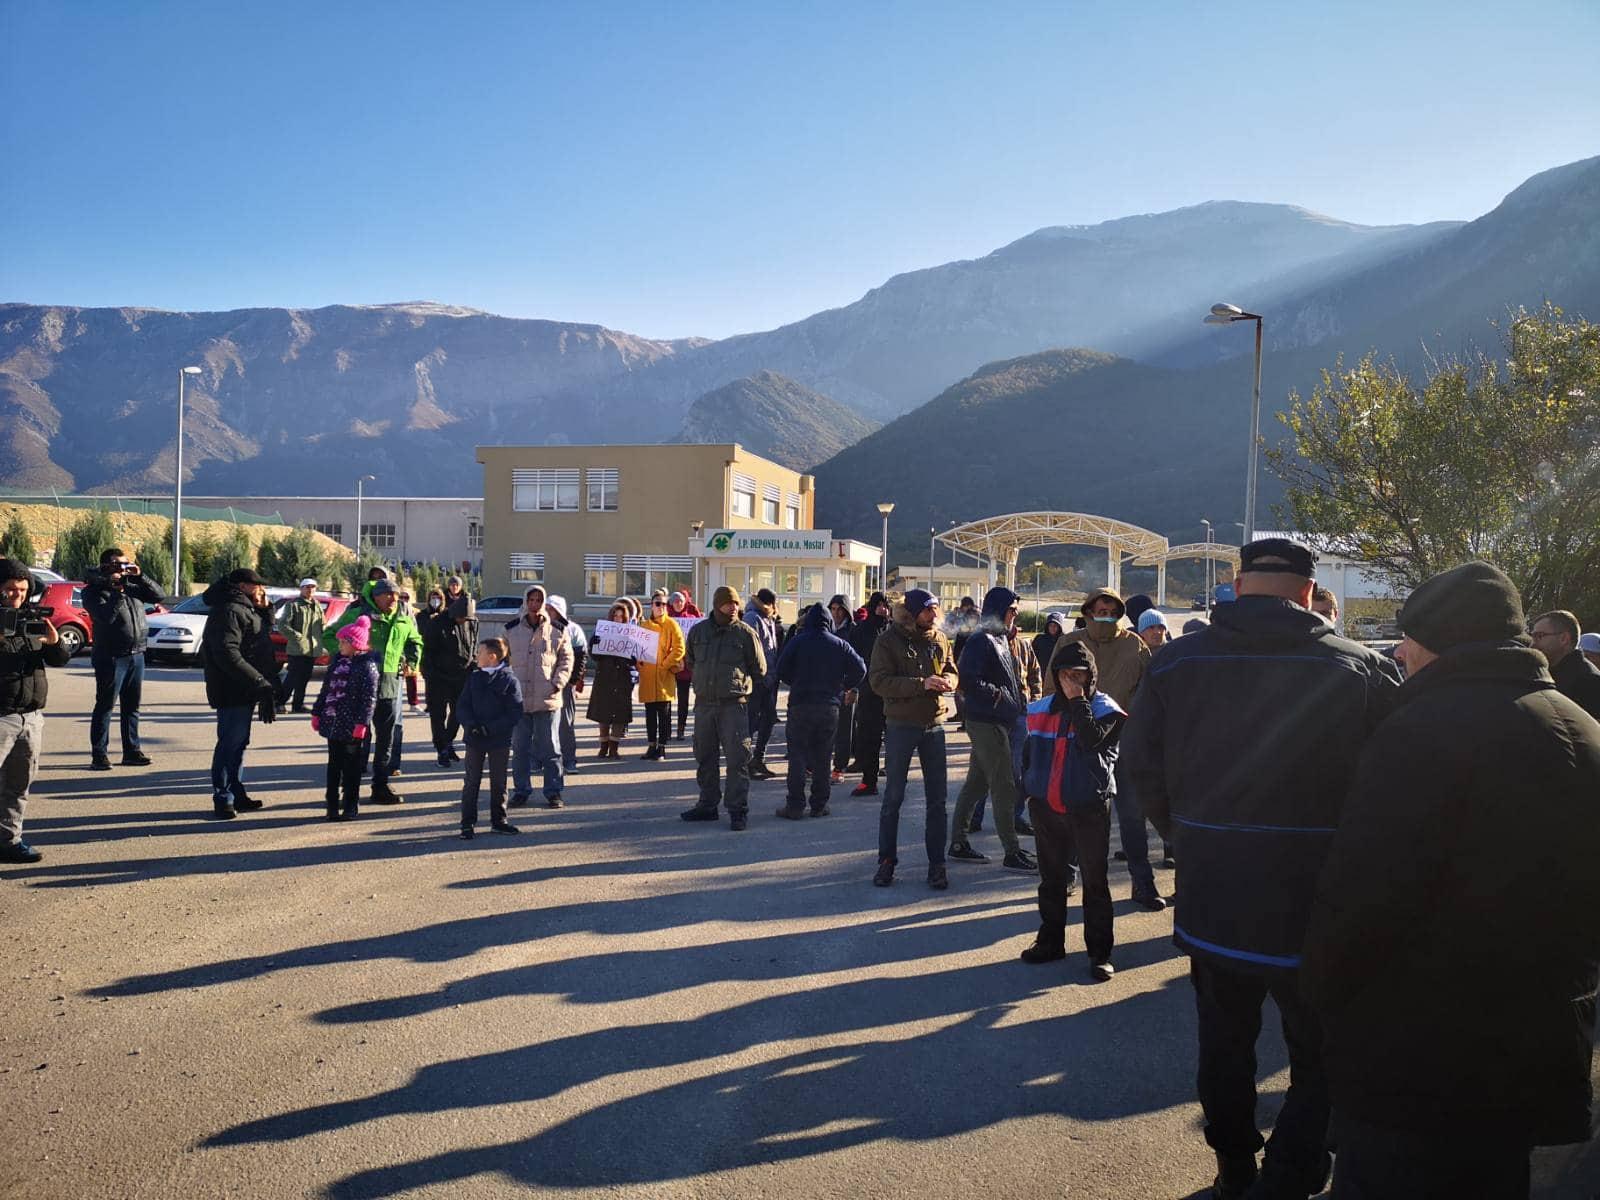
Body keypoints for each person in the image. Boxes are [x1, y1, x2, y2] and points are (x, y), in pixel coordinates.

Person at [1302, 561, 1600, 1197]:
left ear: (1442, 639)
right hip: (1536, 1032)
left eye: (1409, 636)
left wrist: (1322, 989)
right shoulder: (1582, 727)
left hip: (1422, 1045)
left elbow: (1363, 896)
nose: (1401, 650)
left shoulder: (1420, 733)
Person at [1121, 537, 1398, 1199]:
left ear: (1236, 586)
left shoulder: (1175, 664)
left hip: (1217, 896)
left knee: (1224, 1044)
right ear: (1310, 591)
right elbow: (1392, 787)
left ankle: (1234, 1168)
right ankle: (1296, 1169)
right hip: (1322, 901)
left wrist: (1189, 838)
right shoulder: (1361, 668)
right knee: (1320, 1049)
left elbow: (1141, 768)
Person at [1019, 641, 1124, 980]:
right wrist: (1028, 792)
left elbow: (1093, 741)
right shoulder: (1040, 709)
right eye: (1065, 675)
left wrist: (1079, 702)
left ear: (1091, 676)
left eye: (1079, 675)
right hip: (1046, 807)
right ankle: (1050, 941)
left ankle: (1100, 953)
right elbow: (1028, 754)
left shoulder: (1107, 709)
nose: (1071, 683)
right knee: (1051, 880)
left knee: (1095, 882)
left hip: (1089, 807)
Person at [1059, 588, 1163, 910]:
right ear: (1088, 610)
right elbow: (1052, 689)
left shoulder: (1135, 645)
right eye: (1099, 608)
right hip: (1081, 742)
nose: (1104, 613)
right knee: (1079, 814)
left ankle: (1142, 883)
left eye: (1111, 608)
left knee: (1133, 817)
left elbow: (1151, 692)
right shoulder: (1069, 643)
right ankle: (1067, 875)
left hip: (1126, 743)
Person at [870, 589, 958, 888]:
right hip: (901, 725)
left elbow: (951, 669)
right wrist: (922, 684)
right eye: (928, 610)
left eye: (936, 610)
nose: (935, 616)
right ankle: (886, 861)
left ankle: (937, 864)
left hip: (934, 725)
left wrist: (950, 681)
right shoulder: (888, 640)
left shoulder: (940, 638)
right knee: (893, 797)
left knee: (938, 800)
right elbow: (879, 682)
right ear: (912, 613)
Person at [947, 587, 1036, 872]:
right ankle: (1011, 851)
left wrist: (1015, 701)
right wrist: (997, 695)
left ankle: (958, 843)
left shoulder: (999, 637)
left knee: (977, 783)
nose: (1015, 616)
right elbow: (967, 679)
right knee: (1004, 785)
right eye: (1012, 610)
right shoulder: (981, 640)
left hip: (999, 720)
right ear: (1000, 610)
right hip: (986, 721)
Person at [322, 578, 423, 805]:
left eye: (397, 597)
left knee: (386, 739)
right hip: (358, 685)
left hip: (389, 684)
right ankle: (350, 790)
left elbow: (416, 642)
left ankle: (380, 785)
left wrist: (411, 661)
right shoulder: (358, 615)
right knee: (356, 739)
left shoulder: (402, 619)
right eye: (389, 596)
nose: (394, 600)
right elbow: (330, 635)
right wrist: (343, 658)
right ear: (377, 596)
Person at [0, 557, 70, 863]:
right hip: (1, 714)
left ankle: (8, 840)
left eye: (23, 589)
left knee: (19, 783)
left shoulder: (30, 616)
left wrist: (55, 643)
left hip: (30, 714)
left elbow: (59, 659)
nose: (17, 595)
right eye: (10, 589)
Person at [681, 585, 765, 831]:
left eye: (736, 603)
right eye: (729, 603)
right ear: (718, 604)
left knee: (737, 759)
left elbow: (759, 668)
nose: (733, 607)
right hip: (705, 704)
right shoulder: (698, 632)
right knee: (705, 756)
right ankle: (707, 805)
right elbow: (690, 660)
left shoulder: (745, 633)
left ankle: (737, 811)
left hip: (733, 705)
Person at [200, 568, 279, 819]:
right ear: (243, 586)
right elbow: (227, 652)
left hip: (246, 686)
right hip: (232, 687)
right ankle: (223, 797)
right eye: (257, 586)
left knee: (239, 744)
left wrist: (266, 611)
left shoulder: (245, 608)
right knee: (230, 744)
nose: (261, 590)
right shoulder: (229, 610)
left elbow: (259, 638)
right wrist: (257, 680)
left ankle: (236, 792)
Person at [775, 601, 866, 819]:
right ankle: (819, 804)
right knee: (823, 757)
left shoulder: (798, 641)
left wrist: (794, 681)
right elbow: (861, 669)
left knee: (797, 755)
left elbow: (781, 669)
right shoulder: (839, 643)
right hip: (829, 705)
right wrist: (844, 686)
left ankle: (795, 805)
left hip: (800, 703)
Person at [81, 547, 164, 770]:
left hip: (137, 653)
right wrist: (117, 591)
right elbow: (105, 617)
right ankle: (99, 754)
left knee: (132, 706)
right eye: (119, 565)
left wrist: (140, 576)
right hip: (110, 656)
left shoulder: (132, 586)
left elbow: (159, 595)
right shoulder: (92, 591)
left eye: (126, 564)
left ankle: (132, 751)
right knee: (105, 706)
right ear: (106, 566)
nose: (123, 569)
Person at [501, 584, 573, 809]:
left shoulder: (558, 630)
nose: (534, 605)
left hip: (547, 699)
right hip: (520, 700)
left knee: (550, 748)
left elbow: (566, 659)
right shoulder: (511, 630)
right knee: (520, 748)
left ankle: (554, 791)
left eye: (538, 600)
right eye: (530, 600)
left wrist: (557, 683)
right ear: (525, 602)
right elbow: (502, 659)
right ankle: (521, 790)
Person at [310, 616, 378, 820]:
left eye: (343, 642)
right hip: (333, 722)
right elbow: (326, 690)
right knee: (333, 765)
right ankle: (331, 804)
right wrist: (317, 711)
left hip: (352, 725)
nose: (339, 645)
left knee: (351, 768)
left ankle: (350, 804)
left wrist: (362, 723)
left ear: (355, 645)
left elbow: (369, 699)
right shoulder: (337, 663)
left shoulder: (367, 667)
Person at [455, 636, 524, 839]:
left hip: (498, 740)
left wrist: (491, 729)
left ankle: (499, 820)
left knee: (498, 781)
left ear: (492, 657)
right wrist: (471, 724)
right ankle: (467, 823)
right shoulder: (474, 678)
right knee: (471, 781)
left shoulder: (509, 680)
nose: (476, 656)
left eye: (480, 652)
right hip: (474, 739)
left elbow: (514, 712)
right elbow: (463, 705)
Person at [419, 584, 475, 765]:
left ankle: (448, 742)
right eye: (460, 618)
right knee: (438, 714)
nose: (462, 621)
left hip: (461, 675)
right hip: (438, 677)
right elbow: (428, 652)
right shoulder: (437, 623)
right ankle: (441, 748)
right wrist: (430, 674)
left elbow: (472, 646)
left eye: (466, 618)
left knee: (459, 712)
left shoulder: (471, 623)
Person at [846, 592, 892, 797]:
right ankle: (869, 781)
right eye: (879, 605)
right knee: (869, 739)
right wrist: (853, 687)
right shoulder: (861, 631)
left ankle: (896, 778)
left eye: (885, 605)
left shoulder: (894, 630)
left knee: (896, 738)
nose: (883, 609)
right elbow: (853, 661)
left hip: (893, 693)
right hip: (869, 692)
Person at [638, 589, 687, 760]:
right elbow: (638, 650)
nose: (661, 607)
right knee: (650, 714)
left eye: (664, 604)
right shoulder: (643, 626)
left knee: (664, 714)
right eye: (658, 604)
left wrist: (665, 665)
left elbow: (680, 648)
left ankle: (662, 747)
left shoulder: (672, 625)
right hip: (648, 677)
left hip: (664, 677)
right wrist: (639, 665)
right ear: (652, 606)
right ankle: (651, 746)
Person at [587, 599, 637, 758]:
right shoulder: (601, 631)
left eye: (621, 616)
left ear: (625, 618)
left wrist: (632, 655)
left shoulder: (631, 634)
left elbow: (635, 659)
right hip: (605, 676)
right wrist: (594, 644)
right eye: (615, 616)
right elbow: (594, 656)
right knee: (603, 712)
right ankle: (603, 745)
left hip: (622, 677)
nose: (617, 619)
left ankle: (614, 747)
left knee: (619, 713)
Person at [1530, 608, 1600, 719]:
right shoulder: (1547, 673)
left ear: (1564, 638)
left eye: (1539, 636)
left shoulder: (1590, 682)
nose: (1532, 645)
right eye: (1532, 637)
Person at [742, 588, 781, 779]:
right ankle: (747, 761)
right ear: (770, 604)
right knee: (751, 722)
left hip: (769, 679)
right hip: (757, 680)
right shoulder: (752, 618)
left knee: (768, 719)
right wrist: (758, 676)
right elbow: (750, 649)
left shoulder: (768, 619)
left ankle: (759, 758)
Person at [547, 596, 587, 773]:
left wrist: (572, 681)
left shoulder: (573, 630)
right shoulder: (539, 628)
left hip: (564, 683)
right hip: (543, 683)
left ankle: (569, 759)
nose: (548, 612)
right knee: (541, 724)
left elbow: (581, 657)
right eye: (546, 608)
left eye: (552, 609)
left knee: (565, 723)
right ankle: (540, 759)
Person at [275, 578, 325, 714]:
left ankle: (298, 705)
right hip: (297, 649)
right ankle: (279, 703)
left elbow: (322, 625)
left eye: (313, 587)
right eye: (307, 587)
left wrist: (323, 642)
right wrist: (297, 637)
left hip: (312, 649)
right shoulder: (293, 605)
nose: (310, 590)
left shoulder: (317, 605)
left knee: (304, 678)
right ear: (301, 589)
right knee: (292, 678)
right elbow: (282, 625)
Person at [826, 594, 857, 780]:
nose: (836, 613)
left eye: (840, 609)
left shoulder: (854, 631)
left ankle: (839, 767)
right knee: (824, 728)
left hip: (846, 686)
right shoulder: (826, 628)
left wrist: (853, 688)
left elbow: (860, 663)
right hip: (827, 685)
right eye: (833, 609)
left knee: (844, 728)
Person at [666, 591, 701, 740]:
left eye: (680, 601)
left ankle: (681, 728)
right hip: (668, 664)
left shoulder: (692, 619)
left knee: (683, 699)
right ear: (671, 603)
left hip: (686, 667)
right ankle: (666, 729)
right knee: (665, 699)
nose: (678, 604)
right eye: (675, 602)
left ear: (685, 602)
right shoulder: (666, 619)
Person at [1030, 612, 1067, 678]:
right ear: (1047, 626)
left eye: (1055, 626)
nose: (1052, 628)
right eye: (1050, 625)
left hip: (1058, 676)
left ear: (1059, 627)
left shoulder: (1064, 641)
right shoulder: (1039, 639)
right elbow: (1031, 656)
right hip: (1041, 675)